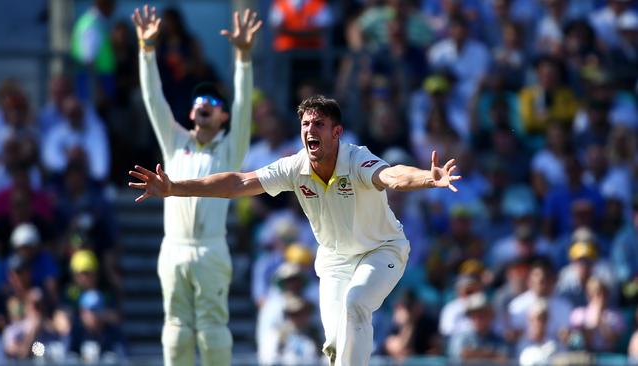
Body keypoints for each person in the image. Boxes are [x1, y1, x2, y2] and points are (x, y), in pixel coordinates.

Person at [128, 95, 461, 365]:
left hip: (383, 250)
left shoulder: (357, 159)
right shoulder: (295, 166)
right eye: (305, 124)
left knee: (356, 303)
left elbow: (392, 177)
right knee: (333, 345)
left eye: (319, 124)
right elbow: (239, 182)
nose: (309, 130)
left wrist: (427, 178)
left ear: (337, 132)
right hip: (334, 261)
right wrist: (175, 187)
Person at [131, 5, 261, 366]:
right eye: (200, 101)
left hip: (211, 250)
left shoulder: (231, 149)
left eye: (215, 102)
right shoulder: (175, 143)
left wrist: (244, 57)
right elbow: (153, 99)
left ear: (222, 116)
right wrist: (146, 49)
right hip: (173, 249)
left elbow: (244, 108)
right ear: (191, 113)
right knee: (175, 330)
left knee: (212, 329)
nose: (206, 104)